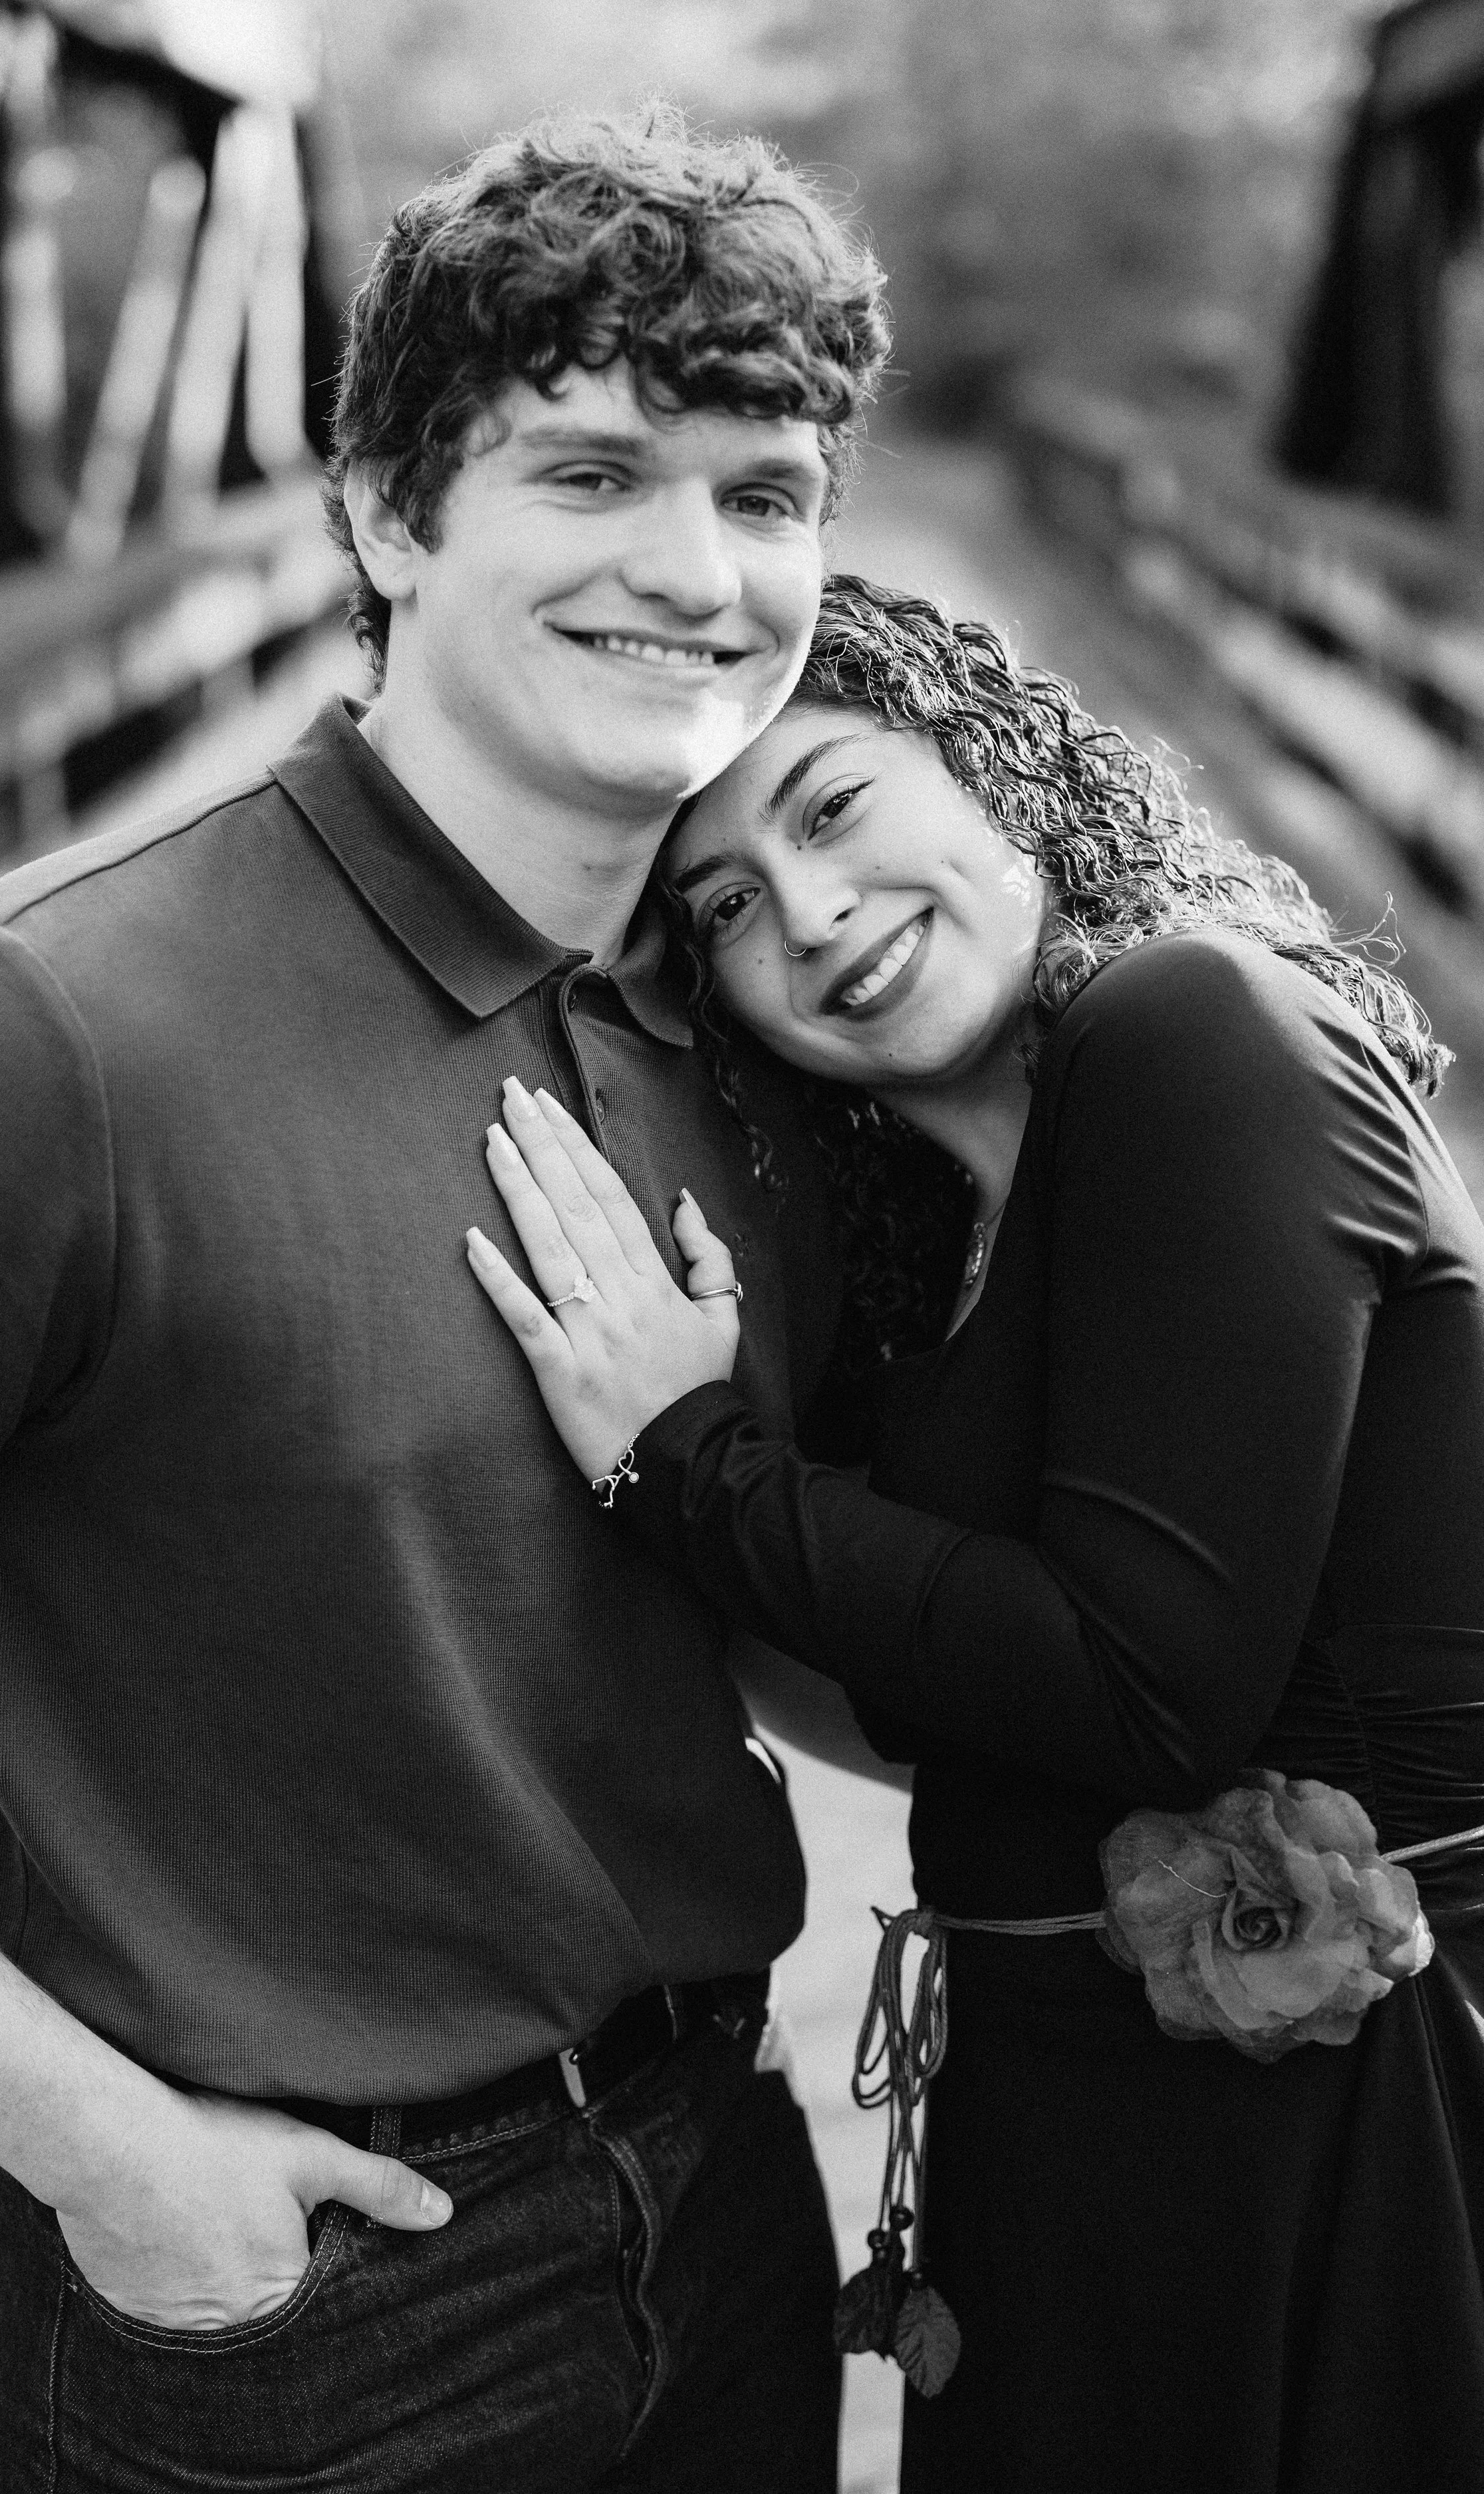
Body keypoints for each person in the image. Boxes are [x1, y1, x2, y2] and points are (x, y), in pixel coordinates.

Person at [0, 116, 892, 2491]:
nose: (695, 571)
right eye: (590, 474)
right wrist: (106, 2149)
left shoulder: (753, 1032)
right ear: (391, 515)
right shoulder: (37, 1034)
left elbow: (757, 1628)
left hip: (725, 2199)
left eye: (766, 493)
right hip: (286, 2306)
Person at [468, 575, 1484, 2493]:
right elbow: (946, 1677)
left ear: (995, 764)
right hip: (1080, 2146)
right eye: (725, 908)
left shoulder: (1196, 1032)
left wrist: (682, 1461)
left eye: (834, 807)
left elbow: (1148, 1690)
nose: (809, 915)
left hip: (1351, 2148)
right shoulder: (945, 1255)